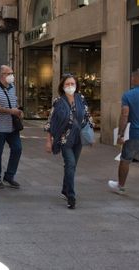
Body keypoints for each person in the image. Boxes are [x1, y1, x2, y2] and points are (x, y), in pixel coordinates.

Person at [107, 68, 139, 208]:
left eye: (131, 78)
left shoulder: (128, 95)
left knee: (125, 159)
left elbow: (124, 114)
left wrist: (121, 134)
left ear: (134, 79)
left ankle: (121, 186)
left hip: (135, 134)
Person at [44, 74, 93, 209]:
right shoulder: (58, 101)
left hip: (78, 139)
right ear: (62, 86)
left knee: (71, 166)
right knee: (70, 164)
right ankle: (71, 196)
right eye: (67, 84)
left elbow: (87, 116)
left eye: (72, 84)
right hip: (65, 139)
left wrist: (90, 134)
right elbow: (50, 121)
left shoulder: (81, 98)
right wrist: (49, 140)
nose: (70, 86)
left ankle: (65, 190)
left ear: (76, 85)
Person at [0, 65, 23, 189]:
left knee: (17, 148)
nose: (12, 76)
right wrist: (10, 111)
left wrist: (18, 111)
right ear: (2, 75)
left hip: (12, 127)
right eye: (9, 73)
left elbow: (14, 103)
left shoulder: (12, 88)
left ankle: (9, 176)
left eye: (12, 73)